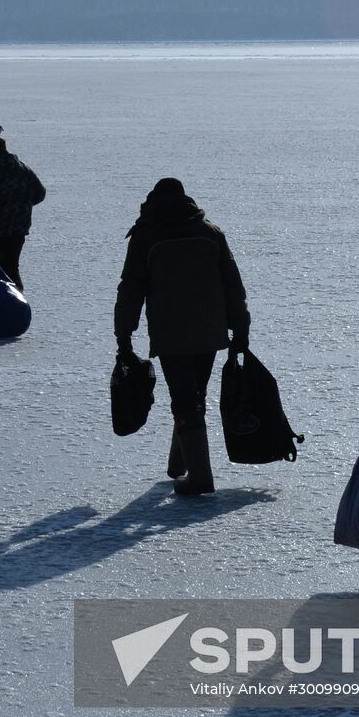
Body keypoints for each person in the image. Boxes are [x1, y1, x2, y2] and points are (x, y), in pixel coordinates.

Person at [115, 178, 251, 496]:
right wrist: (240, 327)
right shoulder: (210, 233)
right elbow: (233, 284)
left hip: (170, 331)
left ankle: (200, 479)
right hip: (209, 330)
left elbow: (130, 289)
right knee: (193, 395)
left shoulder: (146, 236)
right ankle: (180, 465)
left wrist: (123, 335)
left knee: (185, 398)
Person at [0, 126, 46, 290]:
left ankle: (4, 310)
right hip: (18, 229)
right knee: (12, 268)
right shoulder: (21, 169)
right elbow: (40, 193)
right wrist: (21, 206)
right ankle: (17, 307)